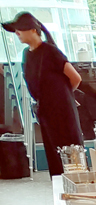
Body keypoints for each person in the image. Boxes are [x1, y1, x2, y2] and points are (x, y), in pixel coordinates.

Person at [2, 12, 83, 176]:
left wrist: (65, 96)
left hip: (62, 109)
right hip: (44, 109)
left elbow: (76, 78)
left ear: (33, 30)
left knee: (69, 148)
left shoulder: (51, 51)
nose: (17, 33)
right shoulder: (26, 54)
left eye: (20, 29)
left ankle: (77, 182)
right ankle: (58, 184)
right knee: (53, 151)